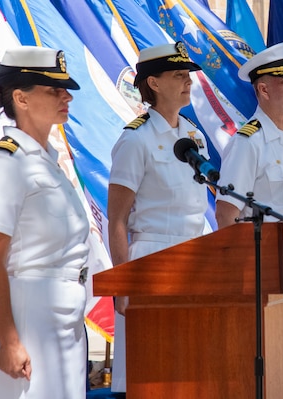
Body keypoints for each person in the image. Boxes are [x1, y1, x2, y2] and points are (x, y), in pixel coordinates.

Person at [0, 46, 89, 399]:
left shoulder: (49, 163)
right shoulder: (6, 165)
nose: (66, 96)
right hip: (28, 313)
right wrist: (10, 341)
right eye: (54, 89)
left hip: (63, 316)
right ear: (21, 99)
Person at [215, 42, 283, 399]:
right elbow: (226, 214)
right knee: (272, 365)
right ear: (263, 89)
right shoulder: (248, 143)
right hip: (267, 271)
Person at [107, 41, 209, 394]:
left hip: (194, 258)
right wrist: (122, 284)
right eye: (179, 75)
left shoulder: (193, 137)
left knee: (190, 369)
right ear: (153, 83)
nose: (188, 81)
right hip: (151, 258)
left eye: (188, 74)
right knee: (150, 371)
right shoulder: (136, 140)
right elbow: (117, 220)